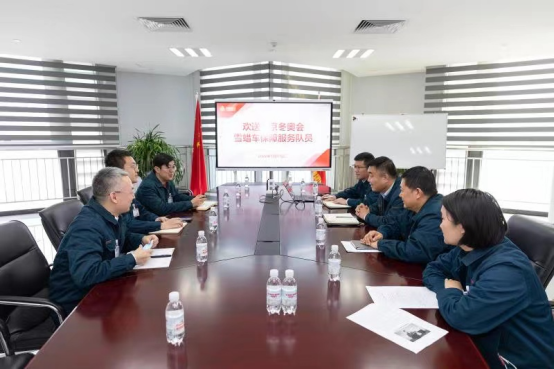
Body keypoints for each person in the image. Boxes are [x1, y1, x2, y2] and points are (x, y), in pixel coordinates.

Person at [423, 189, 554, 369]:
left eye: (444, 219)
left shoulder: (507, 270)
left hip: (514, 361)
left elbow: (462, 317)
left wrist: (451, 291)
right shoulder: (469, 247)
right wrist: (448, 289)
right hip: (485, 340)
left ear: (462, 227)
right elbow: (433, 269)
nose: (440, 225)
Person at [49, 167, 158, 314]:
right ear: (114, 197)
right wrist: (131, 258)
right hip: (78, 303)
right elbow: (87, 274)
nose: (133, 197)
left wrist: (142, 238)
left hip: (100, 288)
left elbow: (121, 239)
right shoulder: (87, 226)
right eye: (131, 191)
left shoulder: (112, 214)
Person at [361, 166, 452, 263]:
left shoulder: (435, 214)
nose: (400, 195)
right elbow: (396, 223)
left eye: (402, 190)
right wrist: (382, 233)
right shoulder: (415, 206)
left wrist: (381, 244)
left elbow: (416, 251)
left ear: (417, 192)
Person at [105, 149, 183, 233]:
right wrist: (160, 225)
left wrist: (156, 219)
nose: (137, 170)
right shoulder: (116, 194)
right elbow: (127, 224)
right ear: (118, 170)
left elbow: (141, 210)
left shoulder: (126, 190)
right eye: (133, 166)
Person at [136, 153, 206, 215]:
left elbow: (176, 197)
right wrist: (191, 203)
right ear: (157, 169)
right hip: (152, 223)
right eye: (168, 167)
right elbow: (162, 209)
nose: (172, 171)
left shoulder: (167, 180)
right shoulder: (147, 186)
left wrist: (196, 198)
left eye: (173, 167)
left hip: (167, 218)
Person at [355, 156, 404, 227]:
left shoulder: (400, 194)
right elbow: (377, 208)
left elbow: (389, 222)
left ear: (385, 178)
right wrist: (366, 209)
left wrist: (366, 215)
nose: (368, 180)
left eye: (371, 176)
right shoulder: (384, 190)